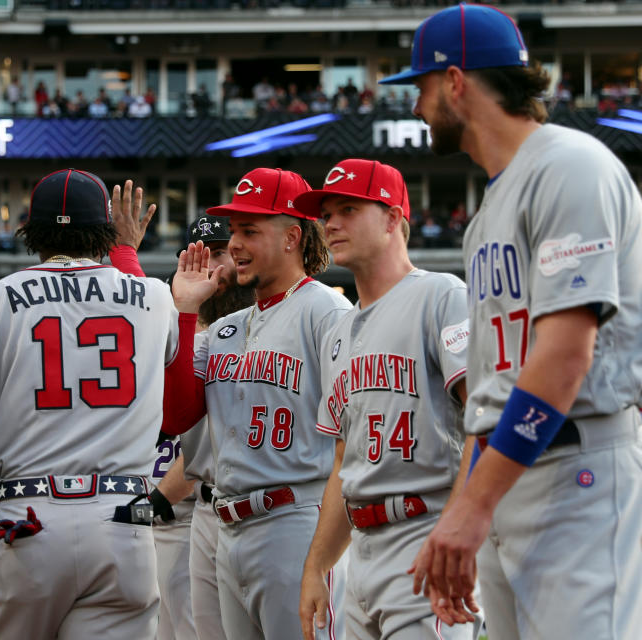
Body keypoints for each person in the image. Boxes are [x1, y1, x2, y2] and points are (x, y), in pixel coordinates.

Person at [381, 4, 642, 638]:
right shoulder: (489, 209)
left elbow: (564, 357)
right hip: (507, 476)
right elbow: (490, 392)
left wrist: (472, 506)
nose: (416, 106)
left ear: (456, 82)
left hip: (577, 466)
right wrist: (464, 516)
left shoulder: (570, 165)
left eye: (421, 86)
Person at [0, 169, 208, 640]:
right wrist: (126, 250)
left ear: (31, 231)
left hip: (28, 522)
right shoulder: (156, 297)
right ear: (105, 232)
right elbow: (179, 416)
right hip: (122, 526)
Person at [163, 168, 353, 640]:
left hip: (296, 520)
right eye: (234, 232)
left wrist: (326, 551)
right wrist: (185, 314)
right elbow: (175, 416)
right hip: (228, 530)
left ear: (292, 236)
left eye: (250, 231)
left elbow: (355, 433)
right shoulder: (229, 328)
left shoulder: (326, 312)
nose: (236, 245)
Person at [294, 159, 479, 639]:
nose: (330, 223)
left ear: (394, 218)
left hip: (425, 529)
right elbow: (343, 460)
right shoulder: (337, 329)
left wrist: (455, 532)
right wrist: (317, 565)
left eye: (348, 209)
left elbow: (485, 420)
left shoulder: (442, 295)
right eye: (326, 212)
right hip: (362, 548)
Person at [147, 215, 252, 640]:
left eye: (221, 253)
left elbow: (203, 447)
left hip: (196, 512)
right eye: (197, 258)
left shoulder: (258, 327)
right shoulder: (188, 333)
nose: (212, 269)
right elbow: (175, 422)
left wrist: (151, 502)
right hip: (198, 516)